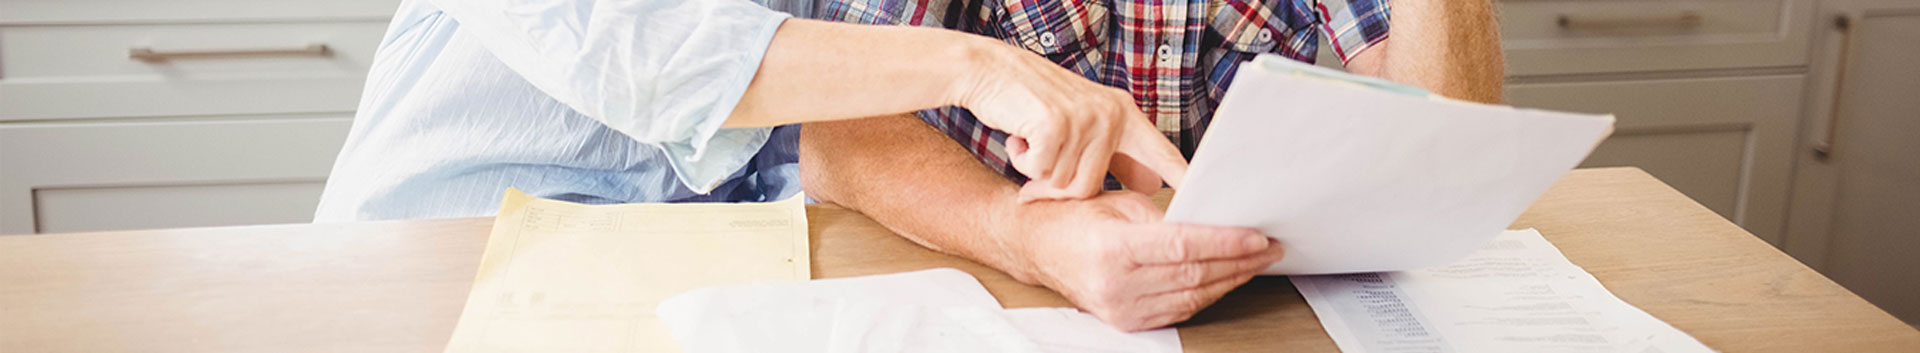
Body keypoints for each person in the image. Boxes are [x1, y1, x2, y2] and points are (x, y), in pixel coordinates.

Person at [796, 0, 1503, 331]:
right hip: (979, 283)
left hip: (1248, 309)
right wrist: (1023, 237)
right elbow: (836, 132)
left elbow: (1443, 132)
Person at [314, 0, 1188, 222]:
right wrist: (979, 69)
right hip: (444, 255)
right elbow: (641, 59)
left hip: (690, 271)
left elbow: (802, 116)